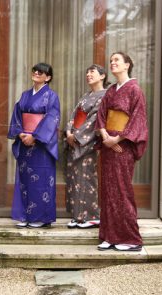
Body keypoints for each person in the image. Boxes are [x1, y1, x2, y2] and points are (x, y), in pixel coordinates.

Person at [95, 52, 148, 251]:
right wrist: (105, 138)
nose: (112, 63)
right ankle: (110, 236)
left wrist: (117, 139)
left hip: (123, 148)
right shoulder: (110, 91)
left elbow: (138, 119)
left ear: (127, 65)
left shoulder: (135, 89)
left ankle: (130, 239)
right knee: (108, 191)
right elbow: (101, 116)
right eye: (110, 61)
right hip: (109, 146)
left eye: (116, 60)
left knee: (122, 191)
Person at [7, 62, 60, 228]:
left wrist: (35, 137)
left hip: (41, 146)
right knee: (25, 180)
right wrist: (21, 133)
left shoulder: (51, 96)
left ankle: (39, 218)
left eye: (41, 72)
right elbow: (17, 115)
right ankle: (25, 215)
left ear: (48, 77)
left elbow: (52, 118)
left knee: (41, 181)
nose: (36, 73)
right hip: (24, 143)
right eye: (35, 70)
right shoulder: (24, 95)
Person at [65, 64, 108, 229]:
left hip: (86, 143)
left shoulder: (104, 96)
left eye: (93, 72)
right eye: (87, 71)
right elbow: (73, 115)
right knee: (75, 179)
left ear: (102, 76)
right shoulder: (85, 96)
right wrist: (68, 132)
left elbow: (94, 120)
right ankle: (77, 216)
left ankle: (91, 216)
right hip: (74, 141)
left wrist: (76, 136)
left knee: (86, 178)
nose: (89, 74)